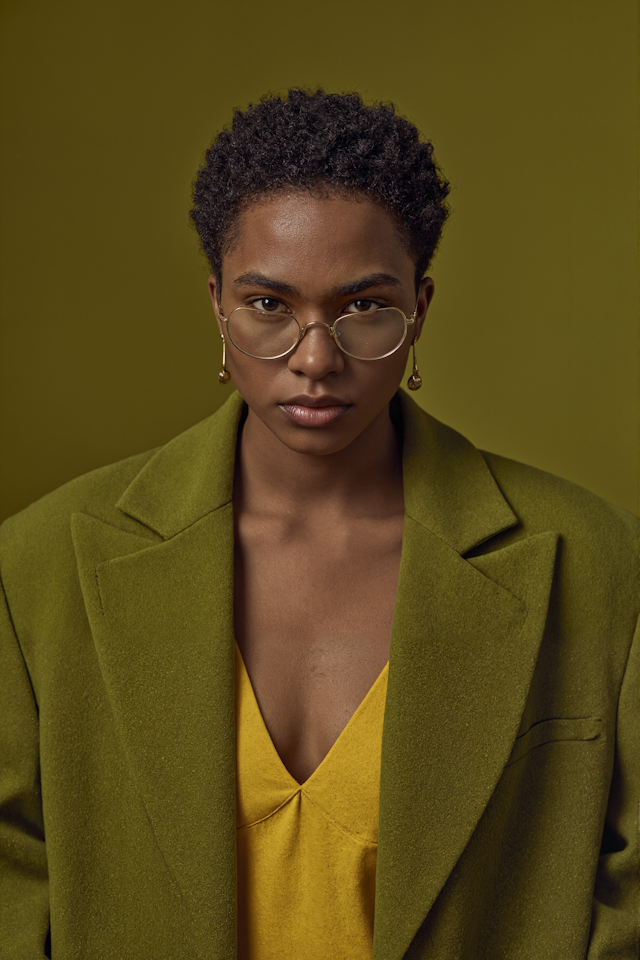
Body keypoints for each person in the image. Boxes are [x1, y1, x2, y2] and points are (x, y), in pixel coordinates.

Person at [0, 88, 637, 960]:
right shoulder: (38, 566)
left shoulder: (595, 560)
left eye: (363, 307)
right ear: (216, 303)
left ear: (421, 309)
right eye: (269, 305)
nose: (314, 358)